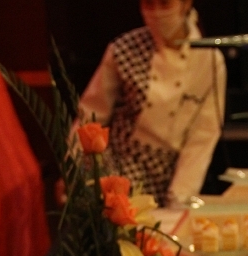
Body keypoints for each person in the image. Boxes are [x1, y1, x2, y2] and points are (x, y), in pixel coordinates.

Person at [78, 0, 225, 207]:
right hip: (117, 170)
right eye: (148, 4)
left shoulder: (209, 60)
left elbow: (202, 137)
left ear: (185, 3)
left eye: (164, 4)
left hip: (170, 176)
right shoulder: (124, 49)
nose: (156, 13)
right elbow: (90, 116)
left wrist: (179, 197)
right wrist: (74, 170)